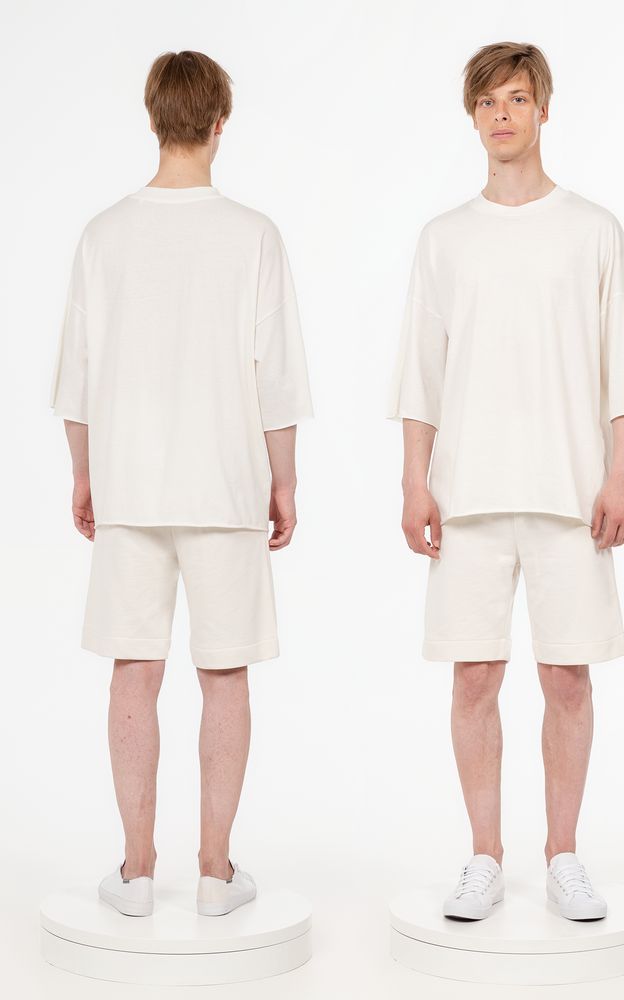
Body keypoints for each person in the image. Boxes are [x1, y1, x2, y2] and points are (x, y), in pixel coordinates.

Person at [389, 42, 624, 922]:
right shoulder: (444, 238)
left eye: (516, 98)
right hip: (467, 493)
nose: (501, 115)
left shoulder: (593, 229)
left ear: (543, 109)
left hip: (570, 492)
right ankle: (484, 857)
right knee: (473, 678)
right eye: (487, 102)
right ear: (472, 117)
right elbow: (420, 374)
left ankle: (564, 855)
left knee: (568, 678)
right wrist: (414, 481)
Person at [50, 50, 312, 918]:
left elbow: (77, 378)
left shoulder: (104, 234)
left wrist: (84, 474)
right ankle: (213, 871)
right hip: (227, 483)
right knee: (223, 673)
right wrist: (284, 482)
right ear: (220, 122)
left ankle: (134, 873)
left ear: (153, 117)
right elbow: (276, 376)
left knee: (134, 669)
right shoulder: (253, 234)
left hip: (129, 481)